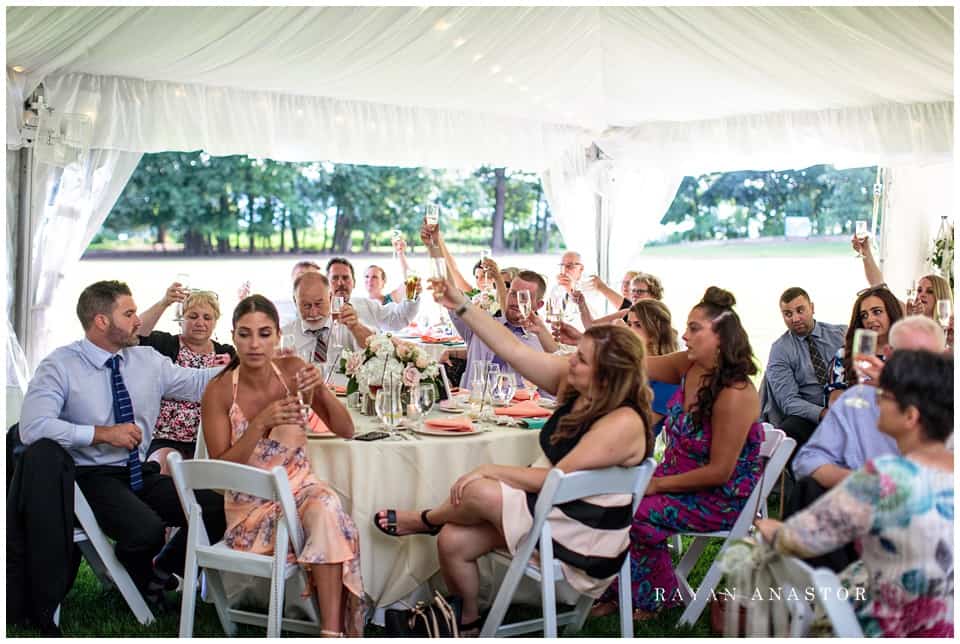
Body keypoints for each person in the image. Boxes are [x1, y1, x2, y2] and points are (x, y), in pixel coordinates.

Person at [374, 270, 654, 636]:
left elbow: (556, 480)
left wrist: (491, 470)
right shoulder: (576, 384)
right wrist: (461, 304)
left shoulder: (624, 422)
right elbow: (512, 348)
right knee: (453, 541)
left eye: (582, 358)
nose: (571, 359)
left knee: (476, 490)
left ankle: (427, 519)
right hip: (550, 514)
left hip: (582, 537)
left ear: (608, 374)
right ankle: (469, 621)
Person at [11, 281, 226, 628]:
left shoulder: (147, 361)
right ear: (100, 321)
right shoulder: (60, 365)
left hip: (138, 471)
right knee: (147, 531)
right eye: (128, 313)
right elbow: (33, 427)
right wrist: (100, 434)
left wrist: (250, 362)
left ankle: (158, 571)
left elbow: (199, 383)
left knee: (219, 508)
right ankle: (138, 568)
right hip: (90, 477)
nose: (138, 321)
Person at [592, 287, 764, 619]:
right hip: (676, 479)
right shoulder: (690, 365)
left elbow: (720, 472)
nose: (684, 335)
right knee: (606, 492)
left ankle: (657, 598)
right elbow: (639, 362)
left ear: (721, 337)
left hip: (719, 498)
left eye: (695, 328)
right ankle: (620, 591)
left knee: (634, 511)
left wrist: (656, 485)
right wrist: (595, 346)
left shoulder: (735, 393)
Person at [756, 349, 954, 637]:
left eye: (886, 397)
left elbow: (800, 539)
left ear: (910, 416)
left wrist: (765, 526)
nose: (877, 401)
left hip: (891, 626)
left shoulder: (886, 478)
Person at [201, 295, 363, 637]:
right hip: (252, 512)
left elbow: (346, 430)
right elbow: (218, 475)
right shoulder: (218, 391)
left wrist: (319, 387)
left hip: (302, 491)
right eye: (245, 334)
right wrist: (259, 424)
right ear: (233, 336)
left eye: (264, 333)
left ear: (278, 335)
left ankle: (330, 632)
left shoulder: (292, 371)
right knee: (327, 516)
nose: (255, 344)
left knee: (326, 507)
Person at [134, 288, 236, 474]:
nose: (200, 323)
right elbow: (135, 333)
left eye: (207, 317)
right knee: (166, 466)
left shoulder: (227, 353)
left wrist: (231, 369)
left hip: (210, 438)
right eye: (193, 316)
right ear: (181, 319)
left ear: (215, 321)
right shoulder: (164, 344)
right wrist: (164, 302)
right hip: (165, 437)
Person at [761, 287, 846, 449]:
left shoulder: (841, 334)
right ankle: (802, 473)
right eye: (788, 314)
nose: (795, 319)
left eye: (800, 310)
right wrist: (822, 413)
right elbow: (789, 401)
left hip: (845, 408)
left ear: (812, 308)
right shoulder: (780, 349)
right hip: (810, 416)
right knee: (789, 430)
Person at [449, 269, 558, 390]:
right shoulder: (481, 324)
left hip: (516, 407)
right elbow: (451, 294)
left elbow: (550, 395)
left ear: (539, 305)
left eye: (524, 297)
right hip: (472, 405)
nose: (516, 302)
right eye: (513, 294)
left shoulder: (541, 344)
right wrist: (437, 251)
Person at [281, 272, 366, 385]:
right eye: (306, 306)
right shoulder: (284, 335)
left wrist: (356, 327)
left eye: (318, 304)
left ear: (330, 298)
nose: (313, 313)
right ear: (295, 301)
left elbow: (373, 349)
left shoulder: (348, 326)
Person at [824, 286, 903, 405]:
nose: (870, 319)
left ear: (891, 313)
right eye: (864, 315)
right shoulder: (845, 354)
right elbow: (834, 400)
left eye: (877, 312)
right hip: (854, 419)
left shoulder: (906, 354)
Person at [852, 235, 953, 317]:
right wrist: (866, 253)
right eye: (919, 290)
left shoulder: (950, 327)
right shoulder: (907, 311)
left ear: (941, 297)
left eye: (930, 291)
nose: (921, 295)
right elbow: (878, 285)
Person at [327, 257, 419, 332]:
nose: (340, 283)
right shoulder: (316, 311)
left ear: (354, 283)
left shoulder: (367, 306)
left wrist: (413, 293)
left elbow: (399, 318)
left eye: (345, 278)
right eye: (334, 278)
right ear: (326, 284)